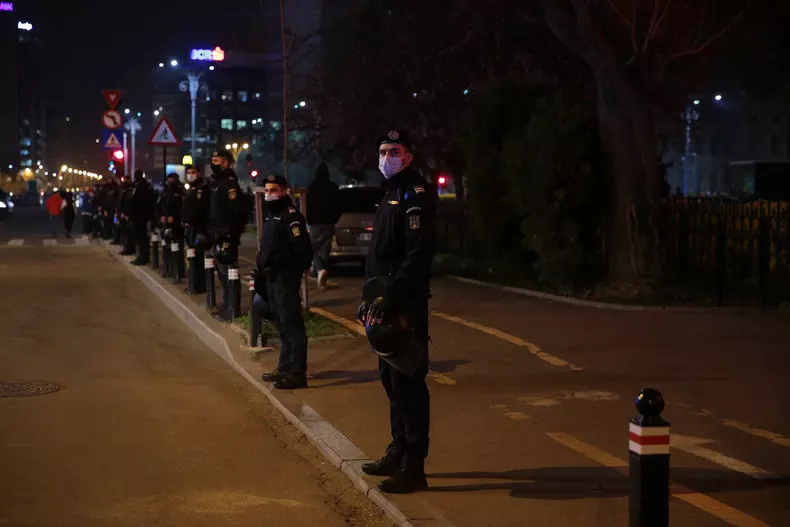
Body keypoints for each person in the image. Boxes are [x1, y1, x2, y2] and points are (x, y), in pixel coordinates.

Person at [356, 129, 437, 494]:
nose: (387, 156)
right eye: (383, 150)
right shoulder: (389, 193)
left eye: (394, 151)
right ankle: (398, 450)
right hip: (384, 302)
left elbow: (416, 255)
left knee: (409, 383)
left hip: (404, 303)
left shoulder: (414, 194)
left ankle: (414, 467)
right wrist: (370, 296)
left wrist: (391, 295)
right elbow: (380, 257)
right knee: (390, 380)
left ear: (408, 157)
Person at [257, 174, 313, 390]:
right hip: (272, 278)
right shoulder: (272, 215)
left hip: (285, 278)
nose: (270, 194)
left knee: (292, 325)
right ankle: (285, 367)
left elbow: (301, 250)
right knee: (282, 325)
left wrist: (283, 265)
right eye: (267, 190)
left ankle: (297, 373)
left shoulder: (292, 217)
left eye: (274, 190)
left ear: (284, 191)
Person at [208, 148, 248, 320]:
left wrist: (232, 234)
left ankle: (233, 308)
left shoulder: (230, 184)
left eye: (216, 161)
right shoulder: (219, 183)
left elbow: (236, 212)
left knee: (229, 269)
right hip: (219, 232)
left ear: (225, 162)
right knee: (222, 270)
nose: (213, 164)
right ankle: (228, 304)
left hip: (227, 234)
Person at [306, 161, 341, 288]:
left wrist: (307, 218)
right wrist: (335, 218)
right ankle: (320, 276)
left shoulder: (311, 187)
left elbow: (306, 205)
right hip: (329, 222)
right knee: (324, 249)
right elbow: (338, 204)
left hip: (315, 222)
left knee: (311, 248)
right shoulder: (333, 187)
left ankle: (320, 270)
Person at [181, 164, 212, 293]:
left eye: (193, 172)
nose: (190, 174)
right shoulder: (191, 188)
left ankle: (199, 286)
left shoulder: (202, 189)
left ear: (198, 173)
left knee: (198, 258)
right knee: (192, 257)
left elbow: (200, 209)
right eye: (188, 172)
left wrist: (191, 220)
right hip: (190, 228)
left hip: (199, 228)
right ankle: (193, 284)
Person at [160, 173, 185, 278]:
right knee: (166, 248)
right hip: (166, 225)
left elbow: (183, 209)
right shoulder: (164, 193)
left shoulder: (180, 193)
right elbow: (159, 206)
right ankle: (167, 268)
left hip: (177, 226)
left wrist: (175, 217)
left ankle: (178, 272)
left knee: (177, 249)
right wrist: (161, 216)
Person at [130, 170, 154, 265]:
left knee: (141, 238)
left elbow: (139, 201)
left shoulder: (141, 186)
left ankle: (143, 257)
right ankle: (143, 256)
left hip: (140, 216)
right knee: (141, 237)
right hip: (140, 215)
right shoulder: (141, 185)